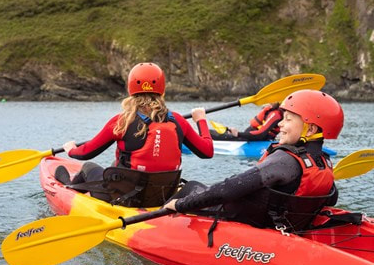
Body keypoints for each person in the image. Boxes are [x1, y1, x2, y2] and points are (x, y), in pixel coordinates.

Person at [165, 90, 344, 233]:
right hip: (282, 222)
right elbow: (331, 199)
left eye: (288, 119)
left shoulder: (284, 161)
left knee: (191, 187)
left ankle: (158, 225)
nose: (280, 124)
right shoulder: (324, 162)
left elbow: (229, 189)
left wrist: (181, 204)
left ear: (311, 129)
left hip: (249, 219)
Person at [56, 62, 214, 205]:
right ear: (162, 90)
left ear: (131, 89)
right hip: (162, 196)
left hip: (126, 198)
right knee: (114, 165)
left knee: (88, 166)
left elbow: (86, 153)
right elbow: (207, 152)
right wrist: (201, 120)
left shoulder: (122, 121)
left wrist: (71, 150)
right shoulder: (179, 121)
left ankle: (68, 188)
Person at [211, 102, 283, 141]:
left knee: (210, 133)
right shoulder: (272, 111)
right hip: (250, 136)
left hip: (255, 138)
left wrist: (238, 134)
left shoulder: (275, 114)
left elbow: (261, 134)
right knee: (211, 133)